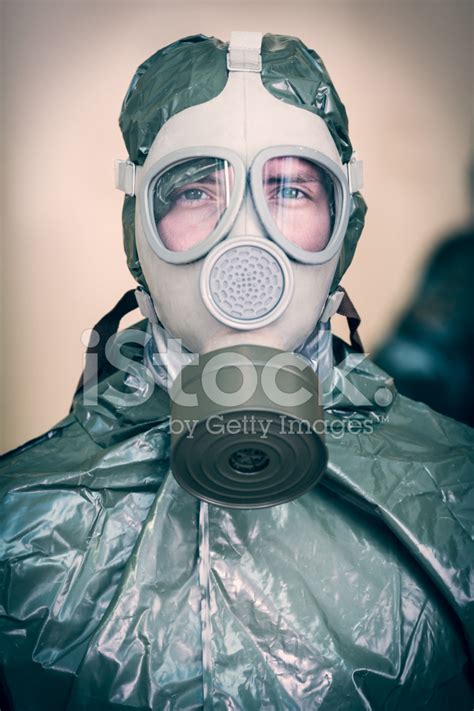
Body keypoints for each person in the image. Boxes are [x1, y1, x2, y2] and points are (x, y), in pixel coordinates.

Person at [0, 32, 473, 710]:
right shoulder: (18, 524)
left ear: (344, 227)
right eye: (196, 190)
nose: (245, 246)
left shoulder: (458, 491)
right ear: (139, 229)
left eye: (289, 189)